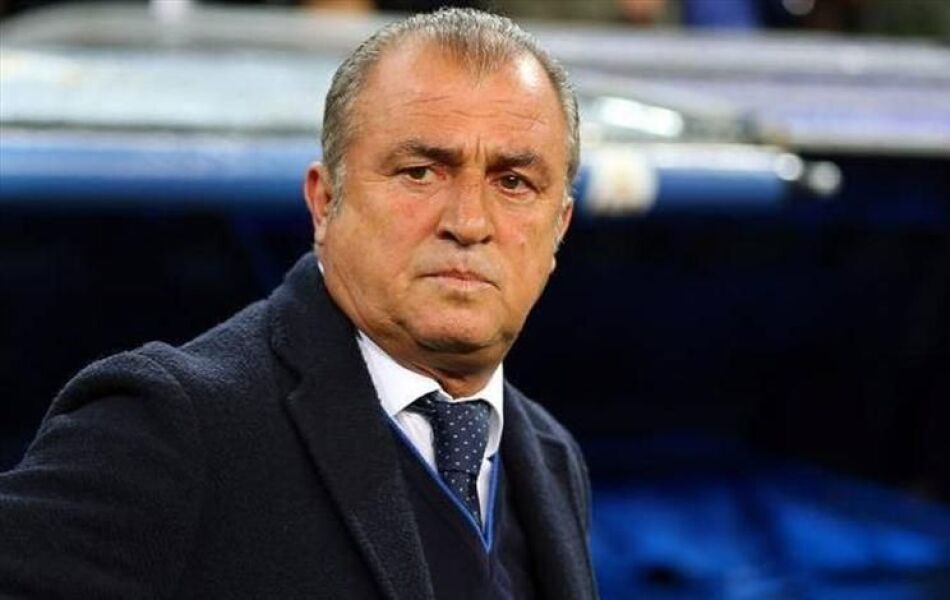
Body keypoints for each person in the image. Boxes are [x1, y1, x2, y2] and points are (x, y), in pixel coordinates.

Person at [0, 8, 595, 598]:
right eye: (420, 172)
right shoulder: (168, 425)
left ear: (559, 228)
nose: (468, 222)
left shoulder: (550, 456)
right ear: (325, 202)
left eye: (513, 183)